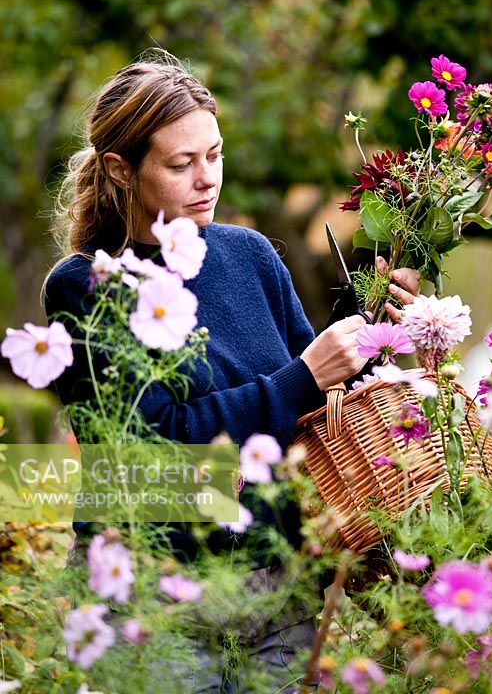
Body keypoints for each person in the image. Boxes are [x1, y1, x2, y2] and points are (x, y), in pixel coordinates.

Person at [44, 51, 420, 691]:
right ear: (120, 170)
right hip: (154, 596)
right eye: (181, 164)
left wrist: (386, 335)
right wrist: (303, 376)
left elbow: (321, 415)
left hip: (276, 594)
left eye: (215, 155)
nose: (207, 179)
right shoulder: (86, 286)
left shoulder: (250, 255)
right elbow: (149, 449)